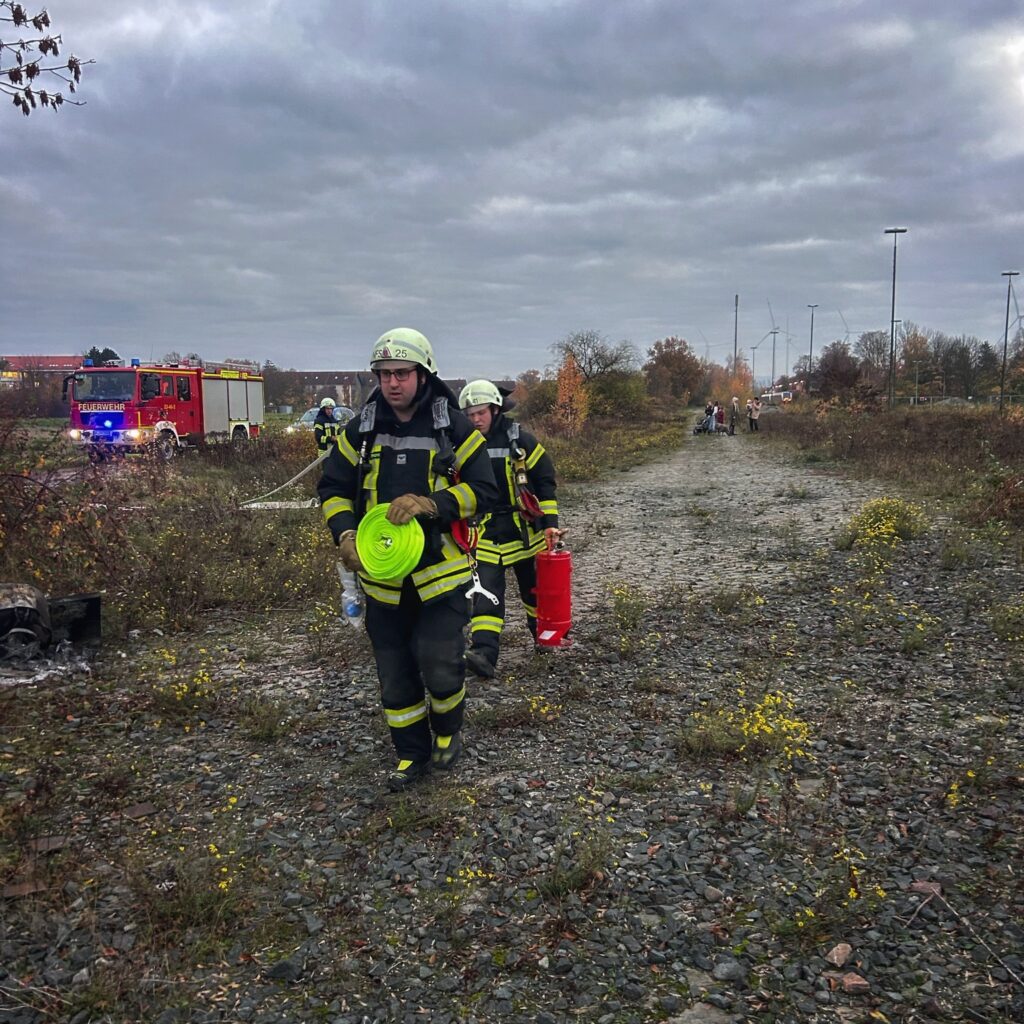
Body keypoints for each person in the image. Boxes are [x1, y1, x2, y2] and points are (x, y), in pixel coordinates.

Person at [317, 329, 498, 791]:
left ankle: (447, 731)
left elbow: (485, 490)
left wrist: (432, 503)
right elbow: (333, 488)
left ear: (423, 374)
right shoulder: (361, 428)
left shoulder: (452, 427)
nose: (392, 382)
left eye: (401, 373)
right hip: (382, 582)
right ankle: (410, 755)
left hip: (440, 575)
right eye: (384, 374)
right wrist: (346, 533)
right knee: (394, 675)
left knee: (440, 662)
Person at [457, 380, 561, 679]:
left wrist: (550, 526)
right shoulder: (461, 445)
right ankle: (484, 654)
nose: (475, 420)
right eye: (470, 414)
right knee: (486, 593)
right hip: (485, 532)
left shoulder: (522, 442)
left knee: (534, 592)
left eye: (480, 413)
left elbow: (545, 483)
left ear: (495, 409)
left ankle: (544, 639)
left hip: (524, 531)